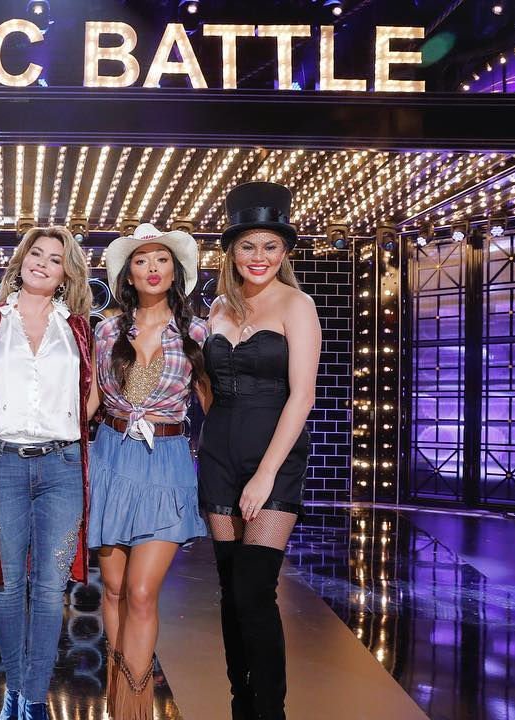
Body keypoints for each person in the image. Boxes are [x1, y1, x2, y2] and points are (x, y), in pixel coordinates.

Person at [0, 226, 93, 720]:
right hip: (3, 465)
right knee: (6, 586)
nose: (42, 263)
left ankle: (34, 698)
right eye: (36, 253)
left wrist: (70, 423)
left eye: (54, 259)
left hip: (62, 467)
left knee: (50, 590)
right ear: (22, 259)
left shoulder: (77, 328)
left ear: (65, 273)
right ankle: (13, 688)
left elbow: (90, 392)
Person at [199, 182, 320, 720]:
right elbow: (206, 385)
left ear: (284, 250)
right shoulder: (217, 308)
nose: (259, 257)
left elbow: (303, 395)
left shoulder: (297, 304)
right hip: (219, 457)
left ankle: (271, 711)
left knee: (254, 590)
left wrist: (266, 474)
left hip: (273, 461)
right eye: (248, 246)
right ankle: (240, 703)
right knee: (230, 589)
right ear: (231, 251)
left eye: (270, 246)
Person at [86, 223, 208, 720]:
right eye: (141, 260)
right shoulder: (106, 331)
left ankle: (137, 708)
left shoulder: (197, 333)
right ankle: (120, 704)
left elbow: (213, 406)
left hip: (166, 464)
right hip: (110, 459)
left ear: (175, 272)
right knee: (114, 590)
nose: (152, 268)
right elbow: (90, 401)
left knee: (140, 592)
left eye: (161, 260)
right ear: (129, 275)